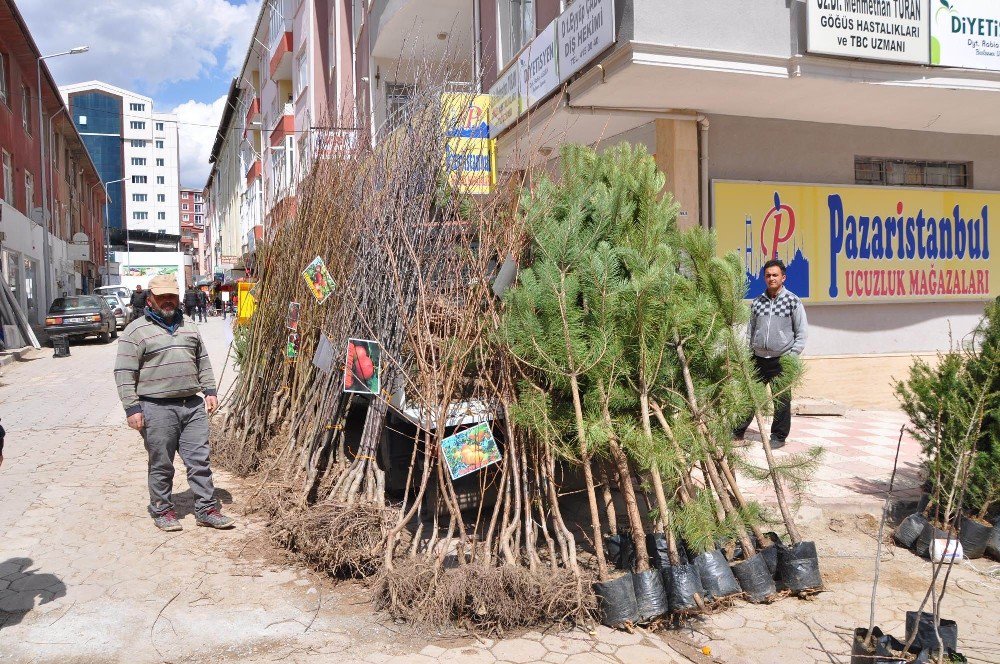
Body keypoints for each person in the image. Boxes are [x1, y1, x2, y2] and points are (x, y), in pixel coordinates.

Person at [114, 274, 235, 532]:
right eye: (162, 297)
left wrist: (210, 390)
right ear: (150, 299)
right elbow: (124, 372)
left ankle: (206, 509)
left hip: (191, 406)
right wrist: (132, 408)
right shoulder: (135, 331)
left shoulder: (190, 325)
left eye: (172, 296)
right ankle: (162, 509)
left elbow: (202, 360)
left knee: (199, 460)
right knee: (161, 462)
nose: (168, 301)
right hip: (156, 408)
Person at [734, 259, 808, 449]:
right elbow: (750, 330)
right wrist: (748, 353)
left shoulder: (792, 301)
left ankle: (778, 436)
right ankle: (737, 431)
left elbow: (801, 332)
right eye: (768, 275)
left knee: (781, 399)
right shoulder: (757, 302)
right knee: (750, 396)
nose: (771, 278)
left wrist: (791, 356)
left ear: (783, 277)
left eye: (775, 275)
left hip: (781, 359)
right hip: (758, 358)